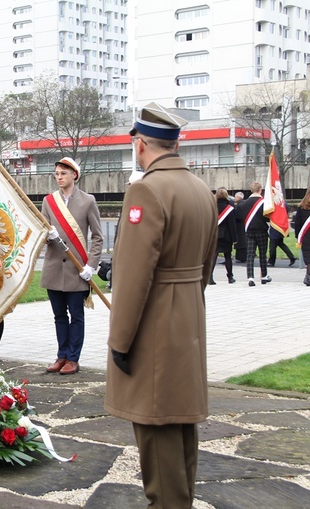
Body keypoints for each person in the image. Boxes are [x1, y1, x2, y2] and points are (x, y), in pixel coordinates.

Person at [105, 102, 218, 509]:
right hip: (187, 313)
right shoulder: (200, 188)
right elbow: (206, 264)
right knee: (181, 425)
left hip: (154, 321)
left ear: (139, 144)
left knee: (156, 429)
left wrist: (120, 341)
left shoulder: (146, 189)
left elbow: (134, 276)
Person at [41, 157, 103, 376]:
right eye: (57, 173)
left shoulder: (88, 201)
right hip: (54, 269)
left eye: (63, 173)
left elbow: (97, 237)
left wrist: (91, 265)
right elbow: (41, 234)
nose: (59, 177)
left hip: (78, 270)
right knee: (59, 315)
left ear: (74, 175)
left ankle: (73, 358)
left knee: (76, 315)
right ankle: (62, 355)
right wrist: (47, 236)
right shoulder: (49, 201)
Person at [236, 182, 272, 286]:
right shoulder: (264, 202)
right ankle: (264, 276)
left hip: (249, 231)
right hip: (261, 231)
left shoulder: (243, 203)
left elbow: (241, 216)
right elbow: (267, 218)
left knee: (250, 255)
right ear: (260, 190)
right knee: (262, 254)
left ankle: (250, 278)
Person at [209, 187, 237, 284]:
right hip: (226, 235)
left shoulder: (211, 206)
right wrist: (235, 238)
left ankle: (210, 277)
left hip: (214, 235)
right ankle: (230, 277)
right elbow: (232, 225)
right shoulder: (229, 209)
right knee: (227, 256)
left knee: (213, 255)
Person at [267, 203, 297, 267]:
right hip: (282, 226)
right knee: (280, 243)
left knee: (272, 246)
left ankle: (271, 261)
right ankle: (291, 257)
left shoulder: (273, 204)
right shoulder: (284, 204)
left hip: (275, 226)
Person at [295, 186, 310, 286]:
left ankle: (308, 276)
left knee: (308, 257)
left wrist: (298, 237)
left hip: (306, 236)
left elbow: (297, 224)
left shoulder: (301, 207)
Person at [233, 191, 247, 262]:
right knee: (243, 241)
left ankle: (240, 257)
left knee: (240, 241)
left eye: (235, 197)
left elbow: (238, 216)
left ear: (238, 197)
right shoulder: (244, 203)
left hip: (239, 225)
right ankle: (243, 256)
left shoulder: (239, 205)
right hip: (244, 224)